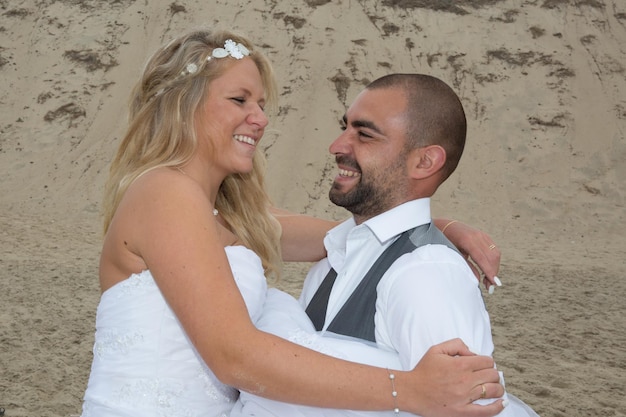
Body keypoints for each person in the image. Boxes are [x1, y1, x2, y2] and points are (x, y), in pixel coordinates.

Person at [80, 29, 506, 417]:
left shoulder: (227, 216)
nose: (261, 118)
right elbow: (235, 356)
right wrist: (409, 391)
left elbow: (352, 237)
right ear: (182, 104)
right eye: (239, 100)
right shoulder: (164, 194)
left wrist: (440, 225)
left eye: (261, 104)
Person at [232, 74, 539, 416]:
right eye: (345, 127)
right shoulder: (335, 254)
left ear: (425, 162)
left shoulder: (426, 276)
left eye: (364, 135)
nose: (336, 145)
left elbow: (469, 407)